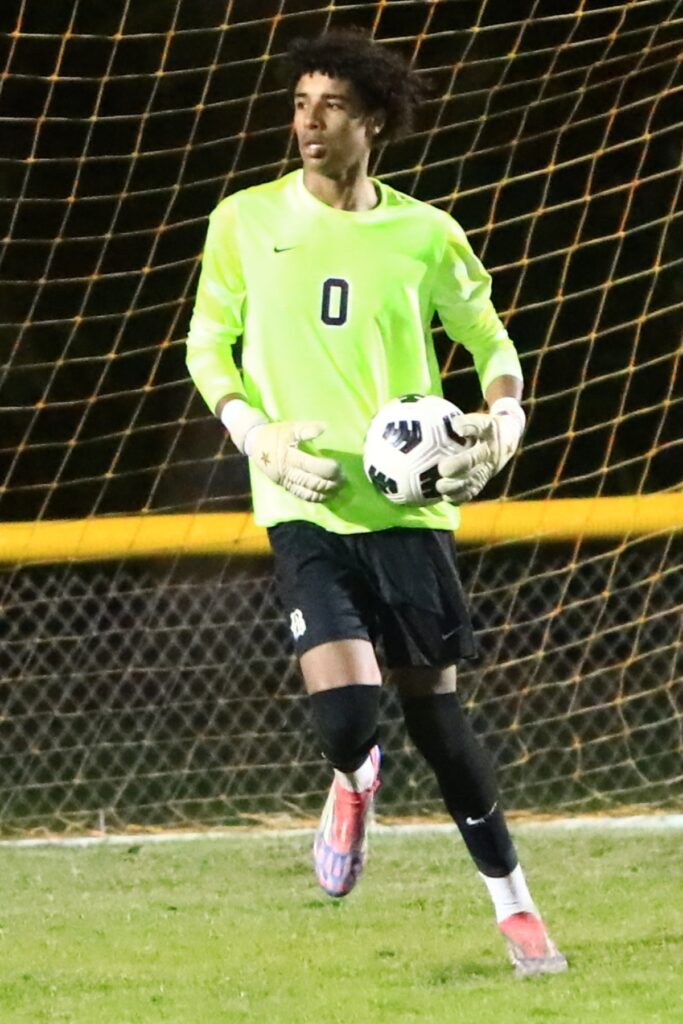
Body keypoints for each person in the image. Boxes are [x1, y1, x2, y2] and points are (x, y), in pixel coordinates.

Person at [186, 29, 567, 978]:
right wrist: (254, 434)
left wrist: (504, 420)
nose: (309, 124)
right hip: (303, 498)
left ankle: (515, 909)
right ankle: (353, 778)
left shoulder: (426, 234)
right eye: (299, 105)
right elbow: (206, 344)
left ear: (375, 123)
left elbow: (490, 342)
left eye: (332, 108)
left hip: (408, 513)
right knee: (348, 716)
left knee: (439, 724)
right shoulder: (244, 220)